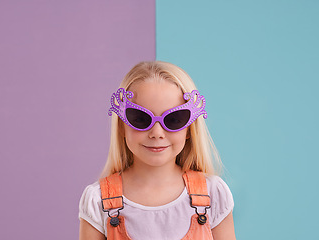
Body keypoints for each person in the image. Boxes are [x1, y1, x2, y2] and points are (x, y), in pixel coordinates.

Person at [79, 61, 236, 240]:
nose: (157, 133)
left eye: (174, 119)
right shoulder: (97, 200)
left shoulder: (214, 194)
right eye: (140, 119)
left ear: (189, 129)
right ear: (122, 126)